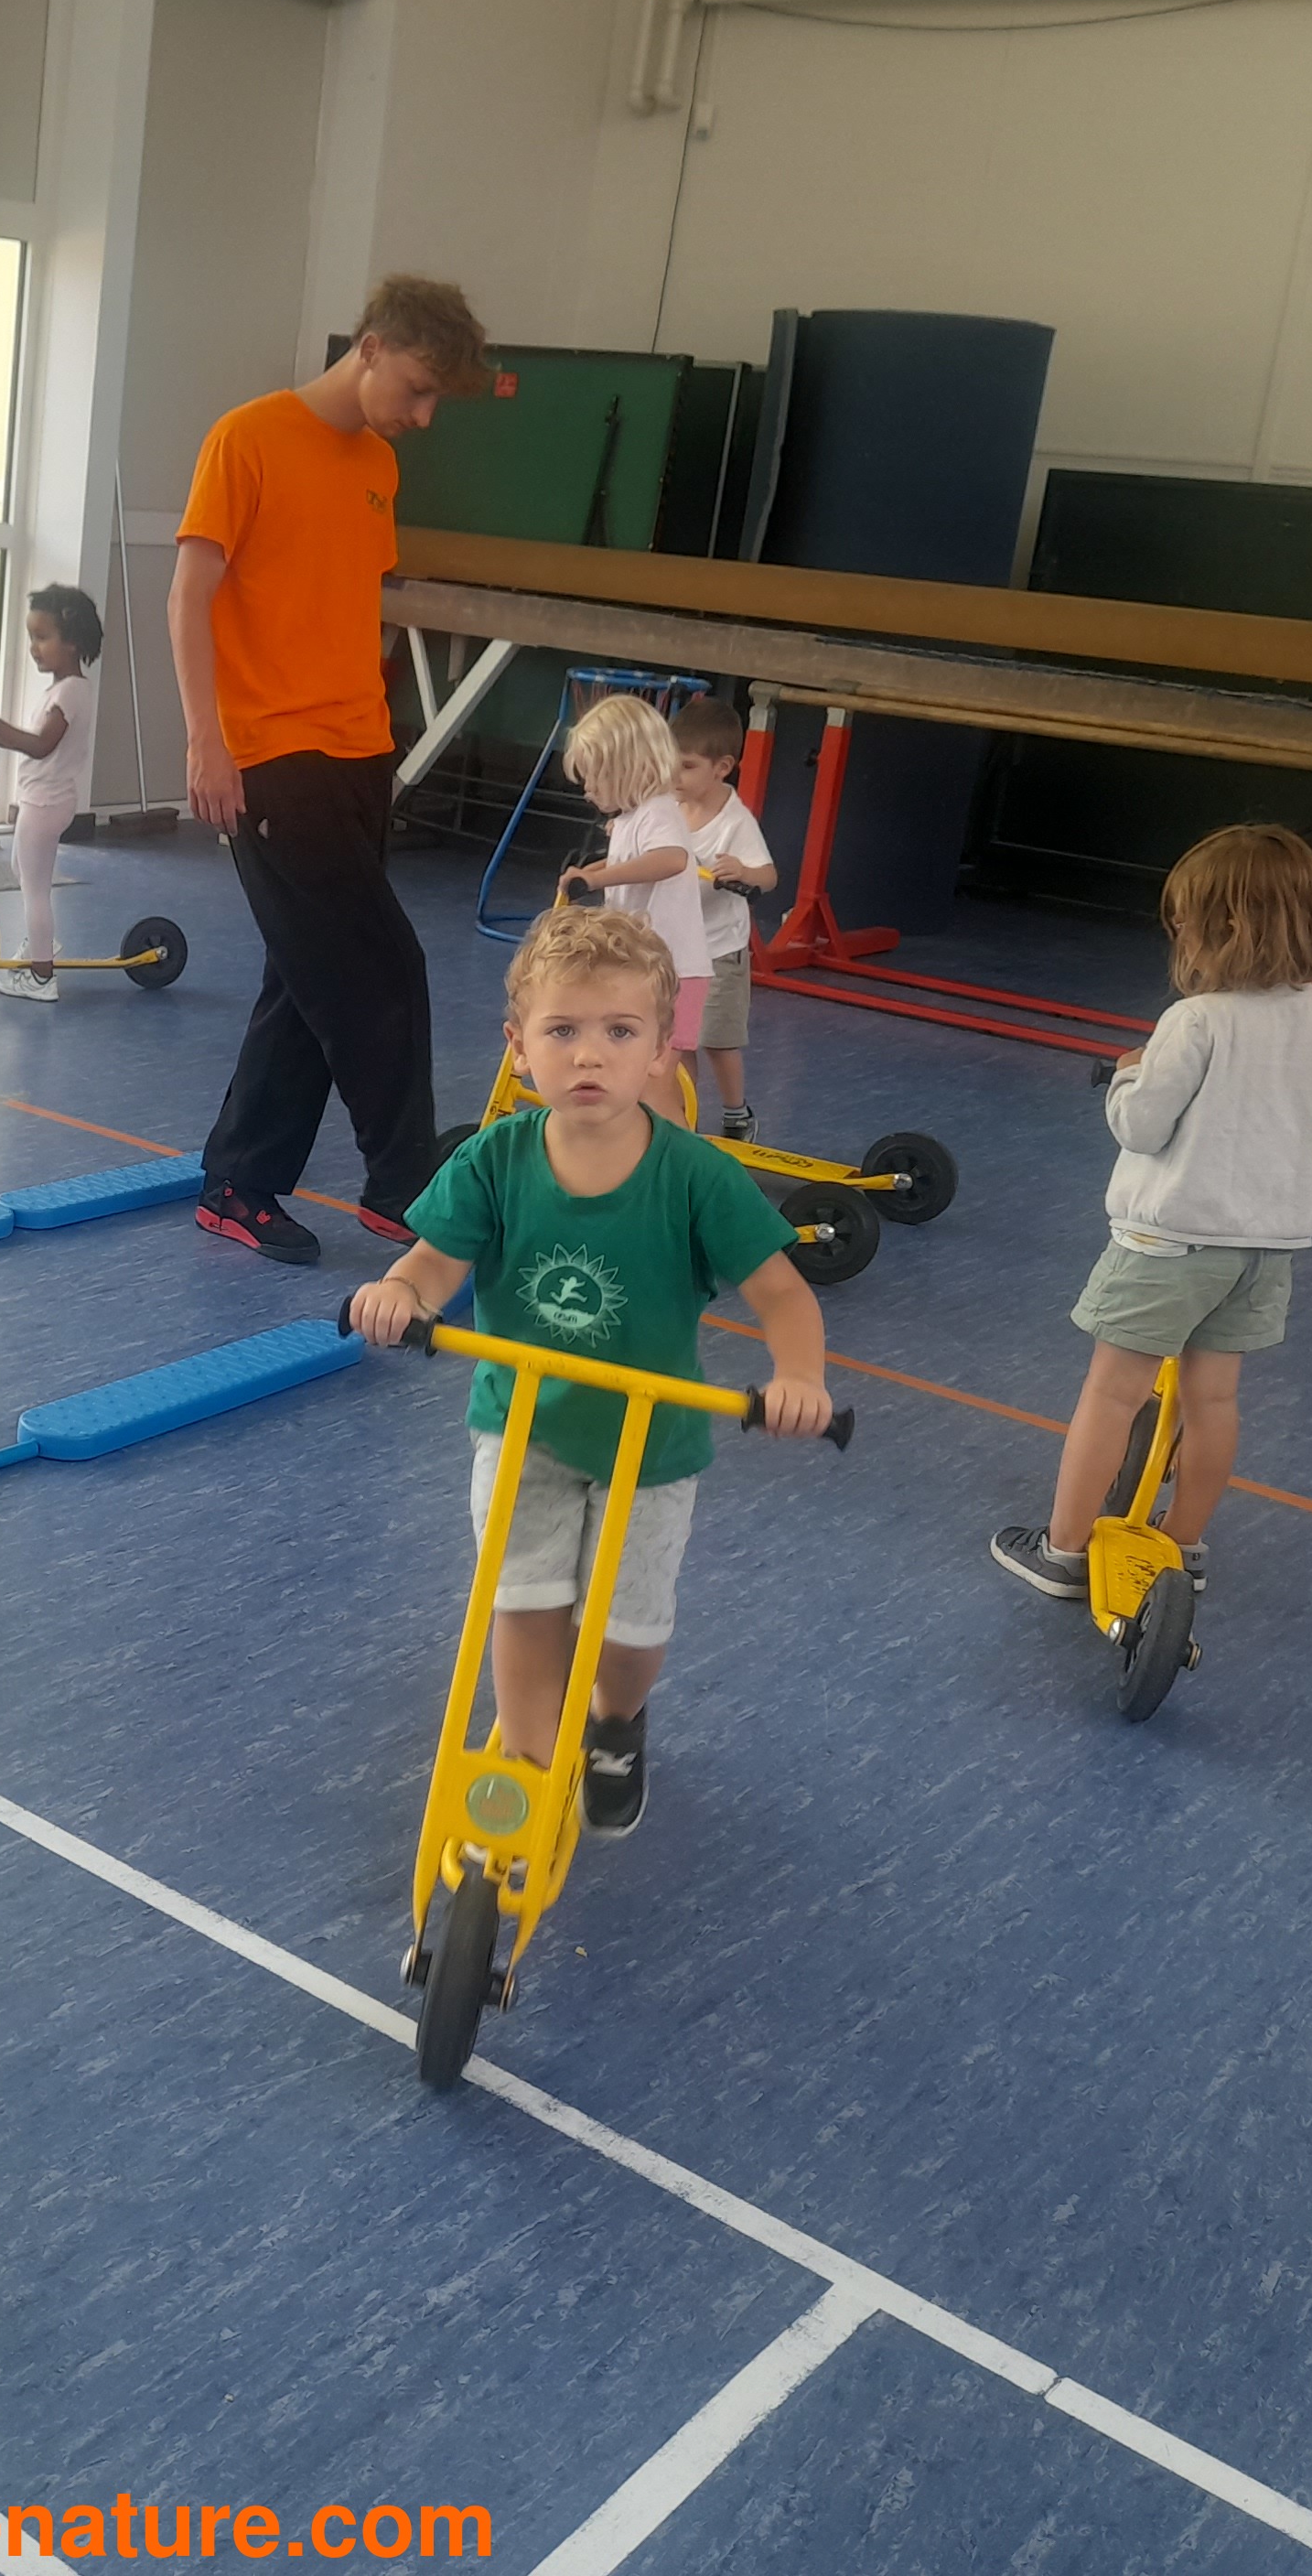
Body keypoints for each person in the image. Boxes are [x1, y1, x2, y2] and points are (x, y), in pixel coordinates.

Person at [348, 906, 834, 1838]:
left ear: (660, 1050)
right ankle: (531, 1765)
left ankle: (615, 1721)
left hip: (650, 1447)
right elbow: (433, 1264)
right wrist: (400, 1292)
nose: (588, 1056)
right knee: (523, 1602)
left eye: (618, 1032)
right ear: (518, 1046)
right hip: (521, 1427)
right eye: (562, 1030)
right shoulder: (494, 1159)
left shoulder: (694, 1175)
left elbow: (782, 1294)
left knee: (629, 1629)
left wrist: (799, 1376)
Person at [990, 824, 1312, 1603]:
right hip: (1265, 1250)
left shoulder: (1197, 1019)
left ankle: (1063, 1552)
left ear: (1219, 928)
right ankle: (1184, 1542)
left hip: (1168, 1245)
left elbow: (1141, 1126)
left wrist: (1127, 1076)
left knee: (1114, 1393)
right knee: (1213, 1401)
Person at [174, 275, 489, 1266]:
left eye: (438, 400)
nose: (424, 416)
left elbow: (341, 602)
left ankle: (238, 1181)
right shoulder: (247, 438)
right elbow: (188, 595)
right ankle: (403, 1187)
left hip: (360, 751)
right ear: (370, 347)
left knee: (307, 976)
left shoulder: (376, 464)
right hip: (271, 754)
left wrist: (376, 738)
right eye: (418, 388)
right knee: (384, 966)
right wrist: (205, 739)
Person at [553, 694, 715, 1123]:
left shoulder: (658, 813)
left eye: (594, 778)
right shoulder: (630, 819)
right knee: (640, 1080)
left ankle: (677, 1159)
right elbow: (627, 862)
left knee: (653, 1088)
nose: (587, 790)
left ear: (625, 769)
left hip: (673, 973)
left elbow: (672, 859)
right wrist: (587, 873)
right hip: (648, 970)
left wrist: (597, 880)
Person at [0, 582, 102, 1003]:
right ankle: (42, 946)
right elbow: (38, 744)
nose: (33, 648)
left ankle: (42, 976)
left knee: (35, 890)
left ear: (72, 642)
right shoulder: (66, 689)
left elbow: (41, 745)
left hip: (45, 803)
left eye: (42, 638)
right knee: (22, 871)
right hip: (43, 799)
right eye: (31, 637)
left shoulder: (70, 692)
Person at [667, 692, 777, 1139]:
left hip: (718, 951)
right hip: (674, 949)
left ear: (722, 767)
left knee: (717, 1039)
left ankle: (736, 1113)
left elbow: (768, 876)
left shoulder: (736, 821)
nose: (674, 775)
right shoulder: (668, 806)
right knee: (678, 1040)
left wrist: (744, 872)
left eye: (687, 766)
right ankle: (683, 1120)